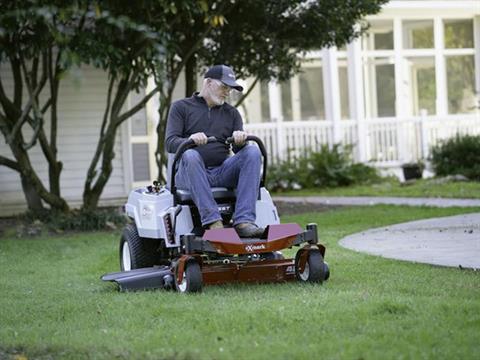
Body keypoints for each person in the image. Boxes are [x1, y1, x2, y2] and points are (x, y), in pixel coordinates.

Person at [165, 64, 264, 238]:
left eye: (230, 88)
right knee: (190, 154)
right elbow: (170, 143)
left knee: (253, 152)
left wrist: (241, 140)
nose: (227, 92)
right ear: (209, 83)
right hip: (188, 174)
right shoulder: (181, 107)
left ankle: (244, 221)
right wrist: (190, 141)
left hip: (220, 172)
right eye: (224, 87)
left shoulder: (232, 113)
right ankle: (213, 222)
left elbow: (239, 151)